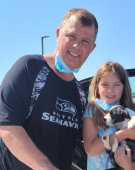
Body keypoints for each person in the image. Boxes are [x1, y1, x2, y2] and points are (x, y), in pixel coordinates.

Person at [0, 8, 97, 170]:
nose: (76, 45)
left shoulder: (80, 92)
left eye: (85, 41)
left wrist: (129, 140)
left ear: (92, 49)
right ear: (58, 34)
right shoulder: (29, 68)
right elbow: (6, 125)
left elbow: (84, 138)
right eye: (71, 36)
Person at [83, 62, 135, 170]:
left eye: (117, 84)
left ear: (124, 87)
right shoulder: (92, 109)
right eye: (105, 84)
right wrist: (125, 133)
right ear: (97, 86)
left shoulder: (132, 110)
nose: (110, 90)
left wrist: (129, 166)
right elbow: (90, 149)